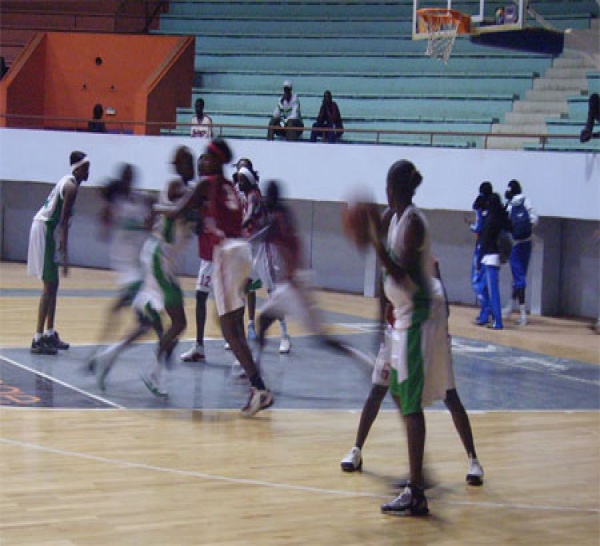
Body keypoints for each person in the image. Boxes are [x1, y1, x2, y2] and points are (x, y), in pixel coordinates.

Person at [340, 260, 484, 489]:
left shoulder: (428, 265)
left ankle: (473, 460)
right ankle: (356, 449)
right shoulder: (387, 266)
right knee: (377, 391)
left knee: (450, 396)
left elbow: (444, 310)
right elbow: (383, 306)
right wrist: (380, 339)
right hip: (394, 337)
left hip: (429, 339)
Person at [157, 138, 274, 417]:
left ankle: (259, 389)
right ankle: (258, 388)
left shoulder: (207, 183)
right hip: (242, 252)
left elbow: (176, 211)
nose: (202, 163)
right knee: (232, 326)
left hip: (227, 254)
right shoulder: (229, 187)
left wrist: (154, 208)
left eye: (206, 158)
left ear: (216, 160)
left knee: (227, 329)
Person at [355, 159, 442, 516]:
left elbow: (399, 272)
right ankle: (417, 477)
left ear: (393, 188)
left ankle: (416, 490)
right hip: (400, 320)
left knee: (411, 405)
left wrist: (372, 239)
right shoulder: (397, 218)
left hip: (415, 319)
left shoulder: (413, 223)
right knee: (395, 392)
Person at [87, 163, 162, 387]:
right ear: (122, 180)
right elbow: (103, 230)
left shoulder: (139, 199)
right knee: (148, 323)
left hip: (140, 269)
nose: (131, 180)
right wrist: (108, 210)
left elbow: (152, 215)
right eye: (127, 177)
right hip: (129, 270)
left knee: (121, 312)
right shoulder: (116, 205)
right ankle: (106, 356)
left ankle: (102, 354)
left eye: (132, 176)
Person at [136, 146, 196, 397]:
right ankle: (155, 368)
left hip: (166, 259)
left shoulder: (189, 192)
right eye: (189, 162)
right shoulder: (177, 187)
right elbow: (182, 203)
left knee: (179, 323)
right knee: (179, 321)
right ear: (180, 165)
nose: (192, 166)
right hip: (160, 255)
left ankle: (161, 346)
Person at [27, 151, 90, 354]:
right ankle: (37, 338)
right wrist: (65, 254)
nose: (89, 171)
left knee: (54, 284)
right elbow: (63, 222)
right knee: (49, 285)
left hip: (48, 230)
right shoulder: (71, 187)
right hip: (45, 230)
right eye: (86, 167)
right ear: (77, 168)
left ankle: (49, 333)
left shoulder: (69, 183)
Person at [236, 161, 291, 353]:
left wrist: (241, 224)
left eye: (242, 179)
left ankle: (285, 336)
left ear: (249, 181)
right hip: (249, 249)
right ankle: (240, 333)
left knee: (272, 293)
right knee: (241, 290)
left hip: (263, 249)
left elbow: (250, 215)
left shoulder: (253, 196)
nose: (239, 182)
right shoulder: (244, 195)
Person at [503, 179, 538, 326]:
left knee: (519, 279)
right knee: (520, 275)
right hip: (527, 242)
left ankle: (523, 314)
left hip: (515, 245)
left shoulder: (510, 205)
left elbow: (505, 224)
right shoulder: (526, 200)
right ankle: (511, 306)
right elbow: (535, 219)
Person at [475, 183, 510, 330]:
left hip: (490, 257)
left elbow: (484, 240)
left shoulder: (490, 220)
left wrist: (478, 260)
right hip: (494, 257)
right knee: (488, 288)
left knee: (493, 290)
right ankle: (493, 317)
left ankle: (498, 321)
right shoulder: (501, 218)